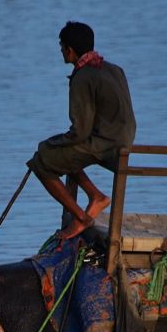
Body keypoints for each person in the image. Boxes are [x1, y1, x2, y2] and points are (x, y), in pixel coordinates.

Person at [28, 21, 137, 239]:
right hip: (123, 140)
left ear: (69, 49)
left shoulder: (83, 76)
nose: (61, 51)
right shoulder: (113, 69)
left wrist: (50, 144)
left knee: (41, 163)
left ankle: (81, 218)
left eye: (61, 46)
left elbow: (80, 132)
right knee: (60, 153)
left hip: (106, 144)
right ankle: (95, 196)